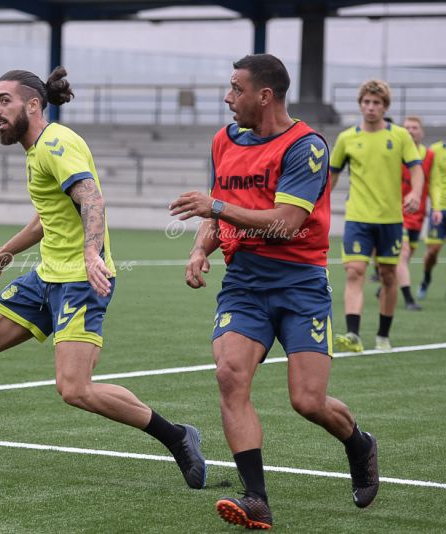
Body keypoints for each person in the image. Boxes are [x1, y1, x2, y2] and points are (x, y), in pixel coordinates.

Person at [0, 67, 207, 491]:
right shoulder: (36, 150)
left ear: (32, 105)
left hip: (82, 281)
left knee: (74, 388)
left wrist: (90, 254)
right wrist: (7, 250)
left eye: (3, 100)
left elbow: (91, 199)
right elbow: (49, 217)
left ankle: (177, 437)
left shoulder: (56, 143)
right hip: (46, 277)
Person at [170, 54, 379, 530]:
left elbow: (286, 224)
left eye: (235, 89)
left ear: (264, 95)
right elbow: (218, 208)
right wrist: (202, 247)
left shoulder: (307, 146)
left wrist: (216, 206)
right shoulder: (225, 140)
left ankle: (360, 444)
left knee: (308, 401)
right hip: (244, 283)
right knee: (229, 375)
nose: (227, 97)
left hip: (299, 284)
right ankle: (256, 498)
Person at [330, 79, 424, 352]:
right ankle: (354, 334)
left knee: (389, 276)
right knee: (355, 271)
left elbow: (416, 170)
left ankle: (383, 335)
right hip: (358, 217)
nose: (371, 107)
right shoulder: (347, 138)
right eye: (366, 102)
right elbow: (332, 176)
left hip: (391, 220)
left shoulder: (399, 136)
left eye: (376, 103)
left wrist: (415, 193)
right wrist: (316, 205)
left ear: (385, 107)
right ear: (360, 105)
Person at [391, 117, 441, 309]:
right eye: (407, 128)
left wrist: (435, 207)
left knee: (407, 255)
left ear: (422, 132)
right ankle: (409, 299)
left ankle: (390, 283)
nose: (411, 131)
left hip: (417, 215)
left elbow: (434, 182)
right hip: (397, 212)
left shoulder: (428, 155)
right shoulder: (395, 153)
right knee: (402, 254)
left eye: (414, 127)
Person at [418, 138, 446, 299]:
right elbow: (432, 180)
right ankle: (426, 277)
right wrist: (434, 206)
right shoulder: (435, 150)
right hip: (440, 209)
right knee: (433, 251)